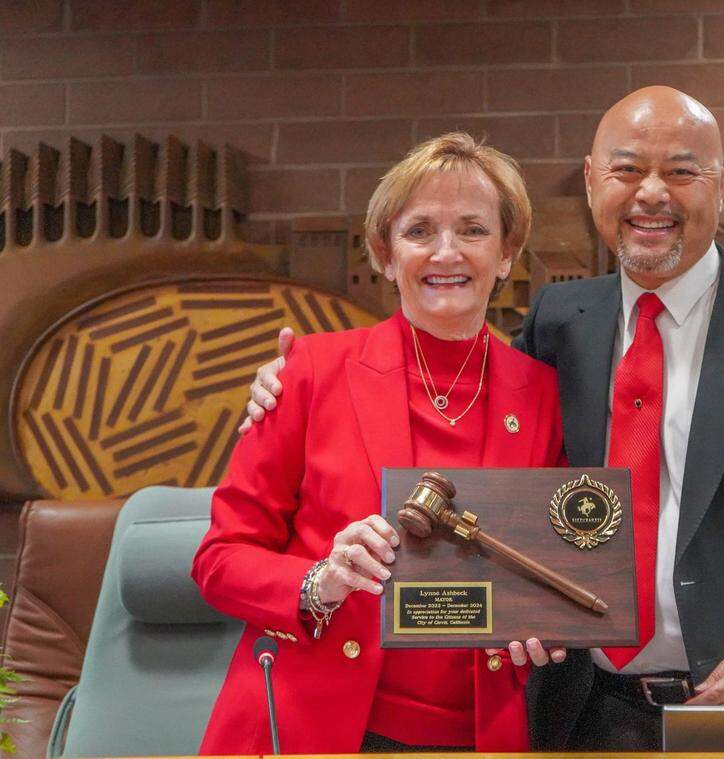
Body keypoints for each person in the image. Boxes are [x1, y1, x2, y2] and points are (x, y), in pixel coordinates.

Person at [242, 87, 724, 751]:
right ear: (591, 181)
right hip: (588, 715)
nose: (651, 193)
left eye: (681, 171)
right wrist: (288, 385)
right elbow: (466, 405)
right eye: (627, 170)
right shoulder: (560, 322)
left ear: (721, 183)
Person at [192, 132, 566, 756]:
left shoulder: (545, 396)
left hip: (478, 734)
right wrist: (319, 580)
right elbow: (219, 559)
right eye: (419, 231)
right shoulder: (310, 372)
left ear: (507, 254)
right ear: (386, 255)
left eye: (473, 230)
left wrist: (544, 627)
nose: (446, 252)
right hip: (313, 724)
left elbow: (553, 562)